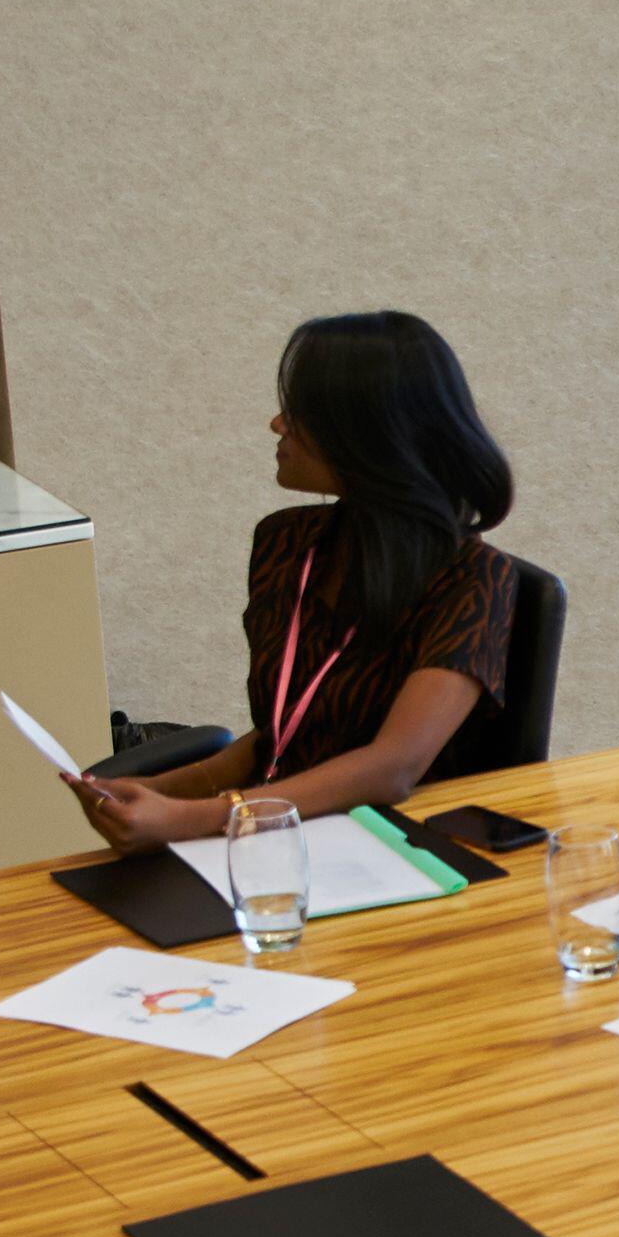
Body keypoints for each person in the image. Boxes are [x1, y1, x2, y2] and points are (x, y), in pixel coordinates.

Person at [74, 314, 526, 849]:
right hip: (277, 832)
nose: (276, 424)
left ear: (364, 433)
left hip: (392, 851)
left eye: (301, 413)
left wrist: (199, 819)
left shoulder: (473, 578)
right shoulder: (286, 543)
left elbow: (394, 768)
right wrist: (157, 791)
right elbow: (284, 732)